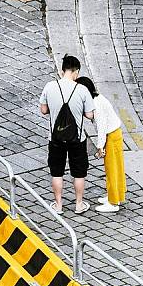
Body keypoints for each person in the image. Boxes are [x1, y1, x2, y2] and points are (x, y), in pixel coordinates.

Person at [39, 55, 94, 214]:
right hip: (77, 138)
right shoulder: (82, 89)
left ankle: (58, 205)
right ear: (76, 71)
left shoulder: (50, 86)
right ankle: (78, 204)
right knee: (79, 172)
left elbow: (43, 110)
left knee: (57, 172)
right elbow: (90, 115)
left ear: (63, 70)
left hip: (55, 138)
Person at [76, 76, 126, 214]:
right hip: (114, 134)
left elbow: (102, 127)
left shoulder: (96, 104)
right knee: (117, 167)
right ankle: (117, 195)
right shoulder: (97, 99)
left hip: (111, 135)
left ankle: (113, 202)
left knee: (112, 169)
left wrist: (100, 147)